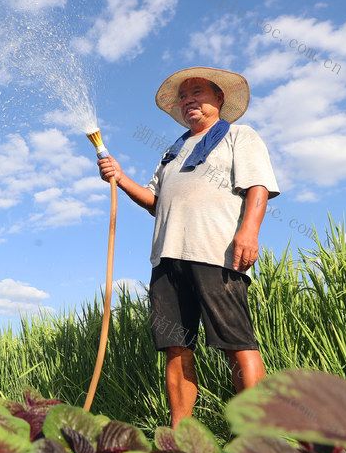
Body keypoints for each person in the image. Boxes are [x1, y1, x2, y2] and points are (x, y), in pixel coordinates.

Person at [98, 66, 279, 428]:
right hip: (168, 258)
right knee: (176, 348)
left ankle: (254, 435)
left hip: (217, 251)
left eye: (197, 92)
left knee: (236, 342)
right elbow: (155, 202)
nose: (188, 100)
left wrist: (249, 232)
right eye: (183, 96)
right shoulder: (172, 152)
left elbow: (258, 186)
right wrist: (120, 177)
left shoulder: (239, 136)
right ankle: (181, 436)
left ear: (219, 99)